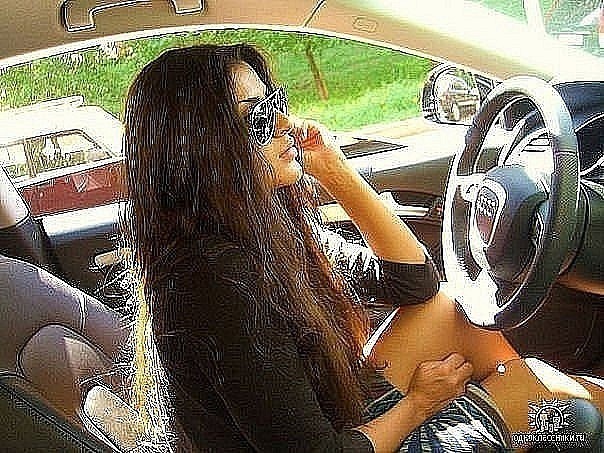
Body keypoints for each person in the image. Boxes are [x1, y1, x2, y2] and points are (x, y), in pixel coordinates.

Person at [122, 44, 603, 452]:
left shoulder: (258, 230)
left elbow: (414, 282)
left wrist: (336, 172)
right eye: (259, 118)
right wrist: (420, 404)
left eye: (276, 101)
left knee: (448, 310)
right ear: (203, 151)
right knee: (556, 407)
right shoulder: (215, 281)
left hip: (336, 417)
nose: (285, 122)